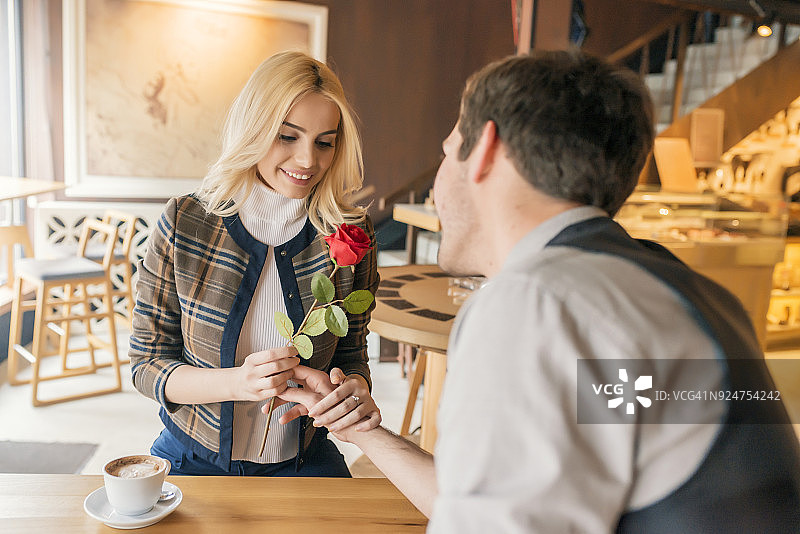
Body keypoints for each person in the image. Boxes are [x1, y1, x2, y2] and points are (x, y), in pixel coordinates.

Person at [277, 50, 800, 531]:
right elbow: (510, 505)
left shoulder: (535, 303)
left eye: (447, 152)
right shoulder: (685, 291)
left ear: (485, 148)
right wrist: (364, 432)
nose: (437, 185)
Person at [129, 51, 381, 477]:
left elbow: (353, 353)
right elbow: (146, 364)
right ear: (254, 129)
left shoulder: (350, 234)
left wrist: (353, 389)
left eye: (324, 142)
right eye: (287, 137)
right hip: (193, 456)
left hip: (304, 458)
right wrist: (236, 383)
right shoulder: (186, 222)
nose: (307, 160)